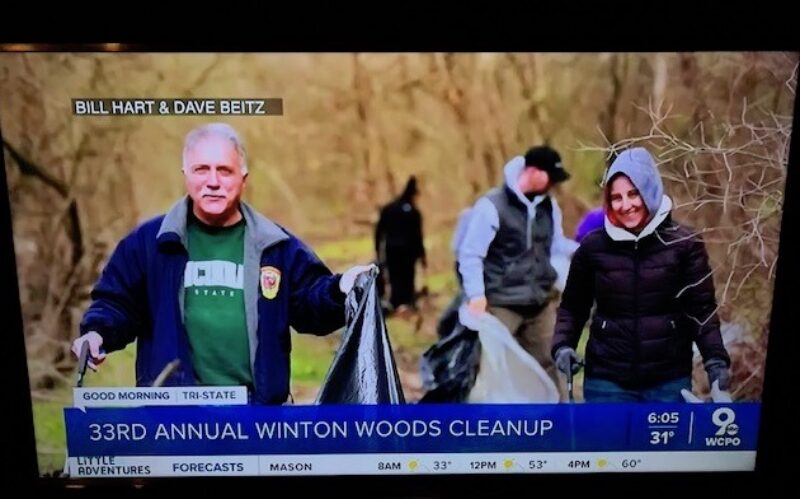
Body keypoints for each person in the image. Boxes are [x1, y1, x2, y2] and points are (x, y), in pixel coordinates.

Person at [70, 123, 373, 405]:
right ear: (186, 174)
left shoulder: (275, 246)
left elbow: (311, 306)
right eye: (202, 169)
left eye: (224, 171)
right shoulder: (150, 244)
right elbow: (116, 303)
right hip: (173, 420)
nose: (213, 181)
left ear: (243, 178)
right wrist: (97, 333)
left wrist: (341, 288)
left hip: (258, 417)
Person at [551, 147, 732, 403]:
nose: (626, 205)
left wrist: (715, 360)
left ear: (650, 190)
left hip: (668, 380)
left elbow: (701, 310)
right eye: (616, 197)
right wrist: (563, 345)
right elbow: (572, 306)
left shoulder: (685, 244)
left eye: (634, 194)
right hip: (606, 380)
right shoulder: (593, 246)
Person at [458, 145, 579, 400]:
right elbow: (470, 253)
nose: (554, 185)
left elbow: (556, 246)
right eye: (551, 178)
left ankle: (558, 427)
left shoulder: (549, 207)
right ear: (534, 172)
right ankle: (485, 427)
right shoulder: (491, 206)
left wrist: (585, 250)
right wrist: (476, 295)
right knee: (492, 369)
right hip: (501, 304)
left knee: (549, 362)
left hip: (539, 302)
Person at [374, 176, 427, 312]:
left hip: (392, 250)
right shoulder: (414, 213)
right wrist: (422, 256)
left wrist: (378, 250)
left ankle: (397, 302)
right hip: (409, 252)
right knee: (408, 277)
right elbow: (418, 236)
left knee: (394, 277)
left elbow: (379, 232)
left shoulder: (389, 209)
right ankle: (407, 302)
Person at [435, 207, 473, 338]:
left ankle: (450, 327)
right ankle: (448, 326)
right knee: (468, 296)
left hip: (465, 263)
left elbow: (455, 245)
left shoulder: (468, 214)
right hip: (469, 264)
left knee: (466, 296)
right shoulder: (470, 215)